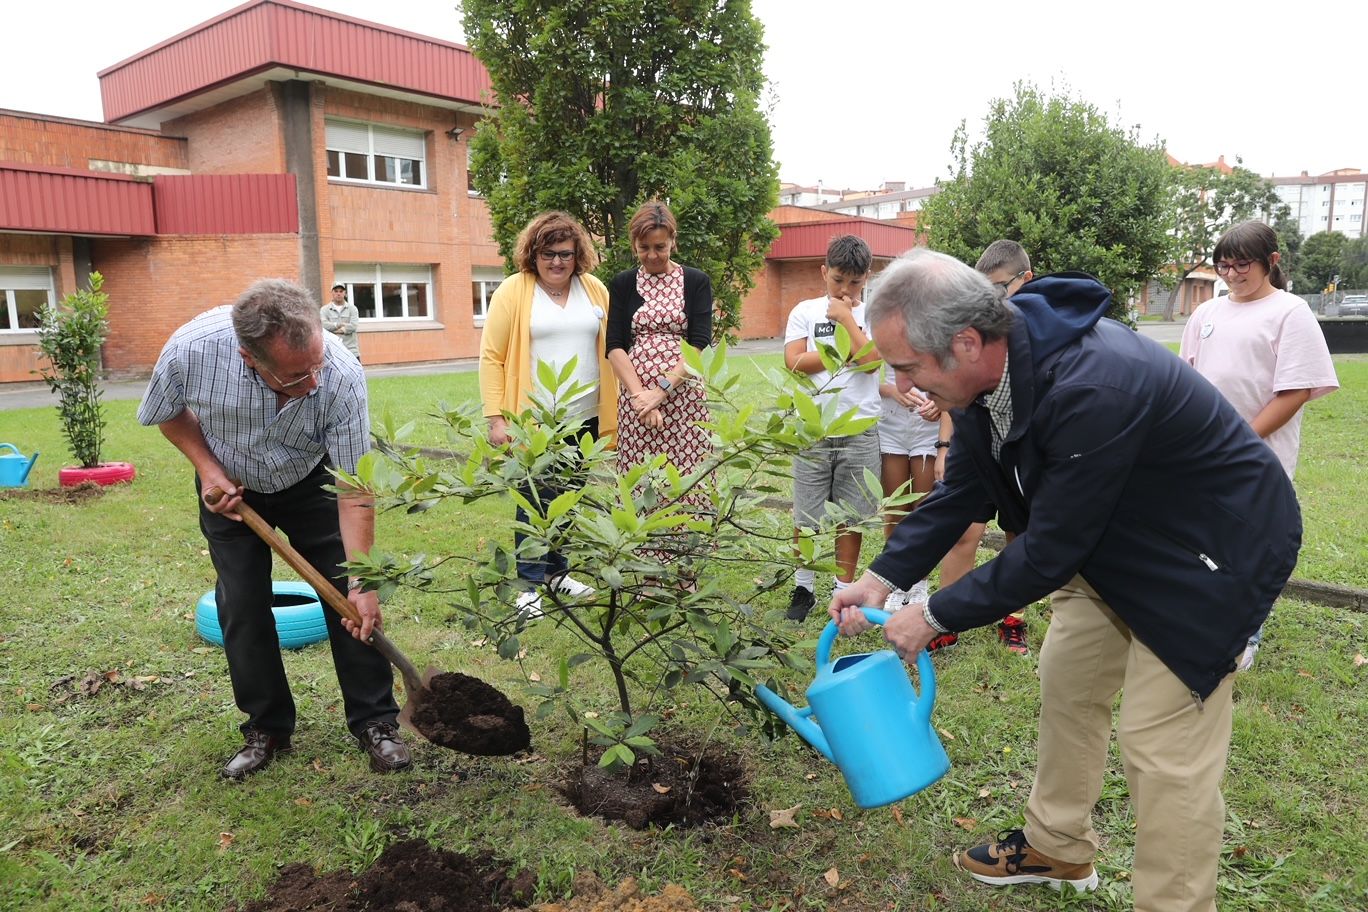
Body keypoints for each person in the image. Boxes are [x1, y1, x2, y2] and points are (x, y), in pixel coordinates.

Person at [829, 249, 1301, 911]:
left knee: (1162, 749)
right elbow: (963, 490)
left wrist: (932, 614)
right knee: (1070, 678)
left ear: (966, 342)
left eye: (907, 366)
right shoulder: (978, 381)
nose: (899, 379)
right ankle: (1057, 845)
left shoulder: (1094, 383)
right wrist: (881, 579)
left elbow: (1048, 552)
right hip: (1113, 543)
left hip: (1209, 557)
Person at [137, 279, 410, 780]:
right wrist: (208, 469)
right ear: (249, 358)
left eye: (316, 365)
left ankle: (376, 721)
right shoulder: (191, 351)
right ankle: (267, 728)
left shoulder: (340, 376)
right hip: (232, 490)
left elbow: (354, 487)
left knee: (348, 601)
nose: (313, 383)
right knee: (241, 604)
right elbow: (166, 413)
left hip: (312, 483)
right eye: (295, 377)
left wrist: (362, 581)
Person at [1180, 220, 1337, 669]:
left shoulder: (1290, 312)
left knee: (1247, 549)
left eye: (1241, 264)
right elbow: (1186, 382)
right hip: (1202, 456)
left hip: (1256, 460)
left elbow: (1294, 391)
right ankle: (1201, 624)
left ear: (1271, 261)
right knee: (1202, 543)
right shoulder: (1205, 315)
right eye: (1222, 265)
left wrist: (1237, 442)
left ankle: (1244, 636)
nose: (1230, 275)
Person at [478, 211, 617, 618]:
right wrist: (495, 418)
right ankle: (529, 584)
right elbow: (492, 356)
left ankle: (559, 573)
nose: (557, 262)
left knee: (569, 499)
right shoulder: (513, 291)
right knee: (535, 499)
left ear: (579, 255)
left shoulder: (594, 290)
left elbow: (612, 346)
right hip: (534, 420)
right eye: (548, 253)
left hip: (585, 415)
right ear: (532, 254)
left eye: (566, 254)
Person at [932, 240, 1036, 654]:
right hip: (976, 450)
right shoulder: (977, 327)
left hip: (1018, 453)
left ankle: (1014, 620)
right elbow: (954, 391)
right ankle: (945, 619)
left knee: (1018, 538)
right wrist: (943, 446)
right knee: (962, 533)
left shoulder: (1040, 338)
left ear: (1024, 280)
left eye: (997, 289)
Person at [783, 234, 883, 621]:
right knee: (805, 517)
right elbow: (793, 361)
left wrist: (845, 321)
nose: (845, 289)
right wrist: (844, 351)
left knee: (852, 517)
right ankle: (803, 586)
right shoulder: (805, 311)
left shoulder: (874, 313)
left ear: (867, 278)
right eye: (838, 279)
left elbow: (873, 361)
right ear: (824, 272)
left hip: (859, 432)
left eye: (854, 282)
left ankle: (843, 589)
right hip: (813, 431)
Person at [606, 201, 714, 543]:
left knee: (684, 480)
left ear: (673, 241)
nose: (652, 255)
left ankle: (684, 574)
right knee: (642, 480)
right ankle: (646, 576)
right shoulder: (623, 284)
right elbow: (614, 345)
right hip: (636, 400)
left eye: (660, 247)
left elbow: (699, 344)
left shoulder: (695, 282)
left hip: (684, 401)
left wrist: (661, 392)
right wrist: (641, 397)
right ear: (634, 245)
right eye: (644, 248)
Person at [875, 362, 940, 612]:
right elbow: (861, 378)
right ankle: (897, 582)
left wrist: (943, 403)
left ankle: (919, 585)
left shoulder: (941, 324)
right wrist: (890, 390)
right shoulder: (881, 325)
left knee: (923, 509)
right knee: (895, 510)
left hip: (929, 424)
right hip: (892, 422)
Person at [321, 283, 361, 361]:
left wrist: (335, 330)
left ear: (345, 293)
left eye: (341, 291)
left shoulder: (352, 309)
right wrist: (339, 325)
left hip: (351, 350)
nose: (338, 293)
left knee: (356, 373)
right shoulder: (324, 309)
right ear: (332, 292)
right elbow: (324, 326)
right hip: (332, 351)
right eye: (336, 291)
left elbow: (353, 326)